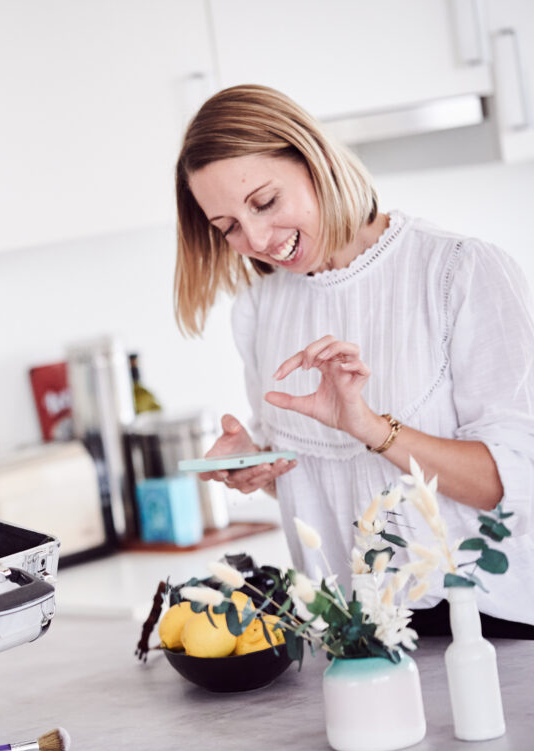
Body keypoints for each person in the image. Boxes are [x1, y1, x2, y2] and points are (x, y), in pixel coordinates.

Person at [173, 84, 534, 637]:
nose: (259, 239)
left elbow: (505, 483)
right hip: (354, 637)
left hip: (486, 627)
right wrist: (262, 466)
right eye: (229, 228)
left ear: (313, 161)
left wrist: (369, 426)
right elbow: (327, 483)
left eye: (265, 202)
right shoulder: (260, 308)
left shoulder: (459, 271)